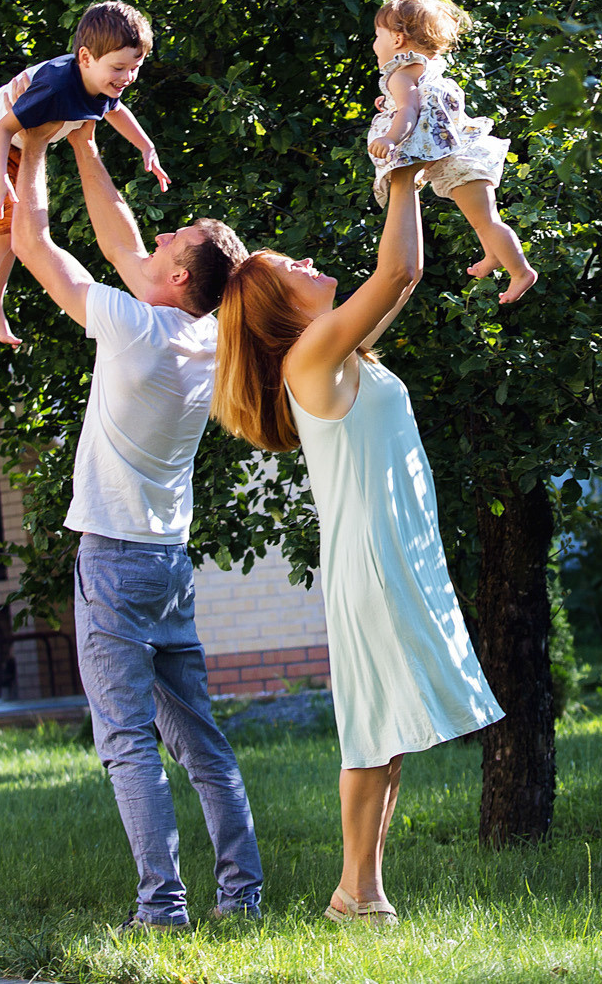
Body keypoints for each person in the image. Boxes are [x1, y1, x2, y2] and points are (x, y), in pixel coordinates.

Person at [209, 163, 506, 926]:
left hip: (391, 552)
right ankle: (355, 892)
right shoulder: (309, 359)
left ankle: (361, 891)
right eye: (292, 269)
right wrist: (401, 167)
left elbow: (401, 282)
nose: (308, 264)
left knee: (388, 730)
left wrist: (408, 166)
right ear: (280, 307)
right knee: (374, 728)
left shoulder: (336, 354)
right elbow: (398, 266)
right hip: (373, 563)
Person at [5, 121, 257, 931]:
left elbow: (35, 242)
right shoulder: (207, 336)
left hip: (115, 564)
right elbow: (118, 237)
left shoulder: (135, 327)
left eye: (170, 237)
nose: (156, 234)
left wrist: (34, 145)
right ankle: (242, 897)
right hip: (169, 564)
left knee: (127, 742)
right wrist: (85, 141)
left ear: (178, 273)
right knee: (201, 742)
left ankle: (162, 909)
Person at [0, 0, 168, 366]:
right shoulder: (55, 87)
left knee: (12, 232)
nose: (127, 77)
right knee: (2, 233)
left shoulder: (103, 84)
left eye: (135, 68)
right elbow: (4, 128)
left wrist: (147, 148)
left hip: (20, 146)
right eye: (119, 68)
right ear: (85, 58)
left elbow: (117, 112)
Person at [364, 0, 535, 302]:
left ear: (398, 39)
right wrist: (388, 103)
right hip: (468, 156)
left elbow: (409, 112)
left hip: (461, 163)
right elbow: (418, 103)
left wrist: (389, 137)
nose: (375, 44)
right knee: (483, 220)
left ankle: (521, 271)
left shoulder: (400, 76)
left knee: (488, 221)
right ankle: (493, 256)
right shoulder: (427, 68)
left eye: (378, 36)